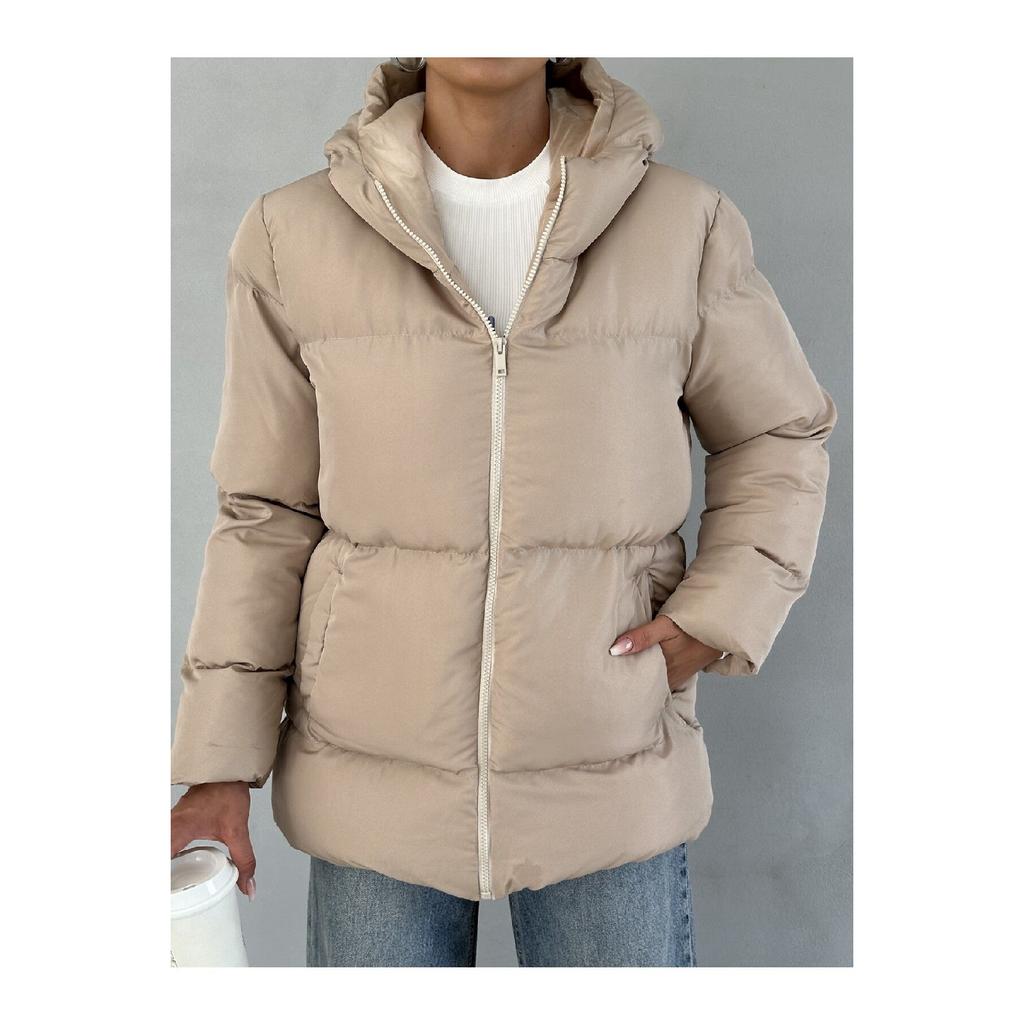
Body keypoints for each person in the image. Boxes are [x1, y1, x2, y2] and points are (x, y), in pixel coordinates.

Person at [170, 57, 837, 967]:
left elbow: (777, 434)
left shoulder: (684, 225)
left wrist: (719, 614)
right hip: (373, 782)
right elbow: (265, 511)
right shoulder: (295, 233)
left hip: (610, 770)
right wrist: (218, 765)